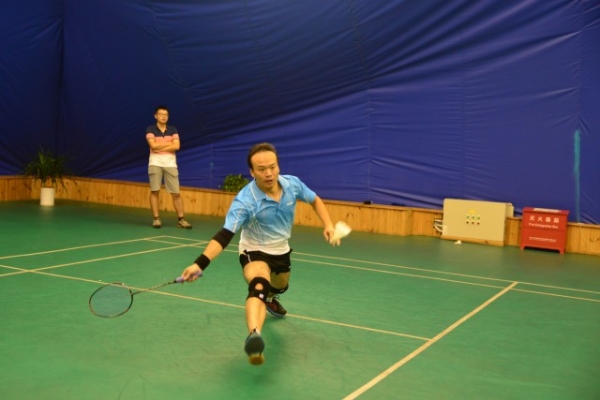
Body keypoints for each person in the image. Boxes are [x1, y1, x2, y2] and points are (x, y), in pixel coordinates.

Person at [181, 142, 341, 365]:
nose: (269, 173)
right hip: (254, 250)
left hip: (281, 250)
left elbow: (315, 200)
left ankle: (271, 299)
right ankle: (254, 336)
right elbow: (225, 235)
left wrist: (328, 224)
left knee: (280, 286)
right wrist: (200, 264)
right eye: (262, 169)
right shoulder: (245, 201)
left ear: (278, 166)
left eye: (272, 167)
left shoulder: (292, 185)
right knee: (259, 285)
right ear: (252, 172)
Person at [146, 105, 192, 229]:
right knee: (155, 191)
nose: (164, 117)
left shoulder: (173, 129)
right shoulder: (150, 129)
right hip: (155, 163)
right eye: (161, 114)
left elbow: (177, 146)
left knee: (176, 193)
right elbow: (153, 146)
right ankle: (156, 219)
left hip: (171, 164)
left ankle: (181, 220)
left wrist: (159, 146)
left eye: (166, 115)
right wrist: (168, 144)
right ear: (156, 116)